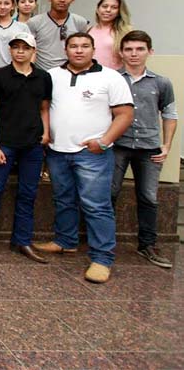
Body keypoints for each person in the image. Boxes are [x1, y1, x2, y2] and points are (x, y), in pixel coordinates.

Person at [34, 32, 134, 283]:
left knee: (96, 205)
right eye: (74, 46)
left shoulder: (110, 77)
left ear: (93, 49)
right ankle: (65, 241)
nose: (79, 50)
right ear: (65, 49)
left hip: (92, 153)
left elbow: (124, 114)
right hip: (58, 151)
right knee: (63, 199)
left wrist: (103, 141)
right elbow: (44, 108)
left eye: (85, 46)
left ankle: (102, 258)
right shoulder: (53, 76)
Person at [0, 33, 51, 263]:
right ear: (10, 51)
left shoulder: (43, 77)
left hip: (33, 146)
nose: (20, 51)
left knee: (28, 195)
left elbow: (44, 108)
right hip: (5, 144)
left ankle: (23, 241)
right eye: (16, 47)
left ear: (33, 51)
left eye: (25, 47)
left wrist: (46, 133)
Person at [111, 30, 177, 268]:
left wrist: (167, 145)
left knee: (148, 197)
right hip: (118, 146)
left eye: (139, 49)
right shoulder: (113, 79)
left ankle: (147, 245)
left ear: (150, 51)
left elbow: (169, 114)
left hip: (149, 148)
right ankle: (104, 243)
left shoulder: (161, 82)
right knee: (110, 193)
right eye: (128, 49)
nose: (134, 54)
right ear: (121, 52)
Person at [26, 0, 90, 71]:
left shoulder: (80, 22)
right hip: (43, 73)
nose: (62, 0)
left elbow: (83, 48)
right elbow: (28, 50)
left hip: (70, 72)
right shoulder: (34, 22)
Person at [88, 0, 132, 69]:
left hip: (114, 75)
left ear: (119, 12)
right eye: (104, 6)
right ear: (98, 9)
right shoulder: (88, 30)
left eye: (114, 7)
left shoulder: (126, 31)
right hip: (90, 75)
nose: (108, 10)